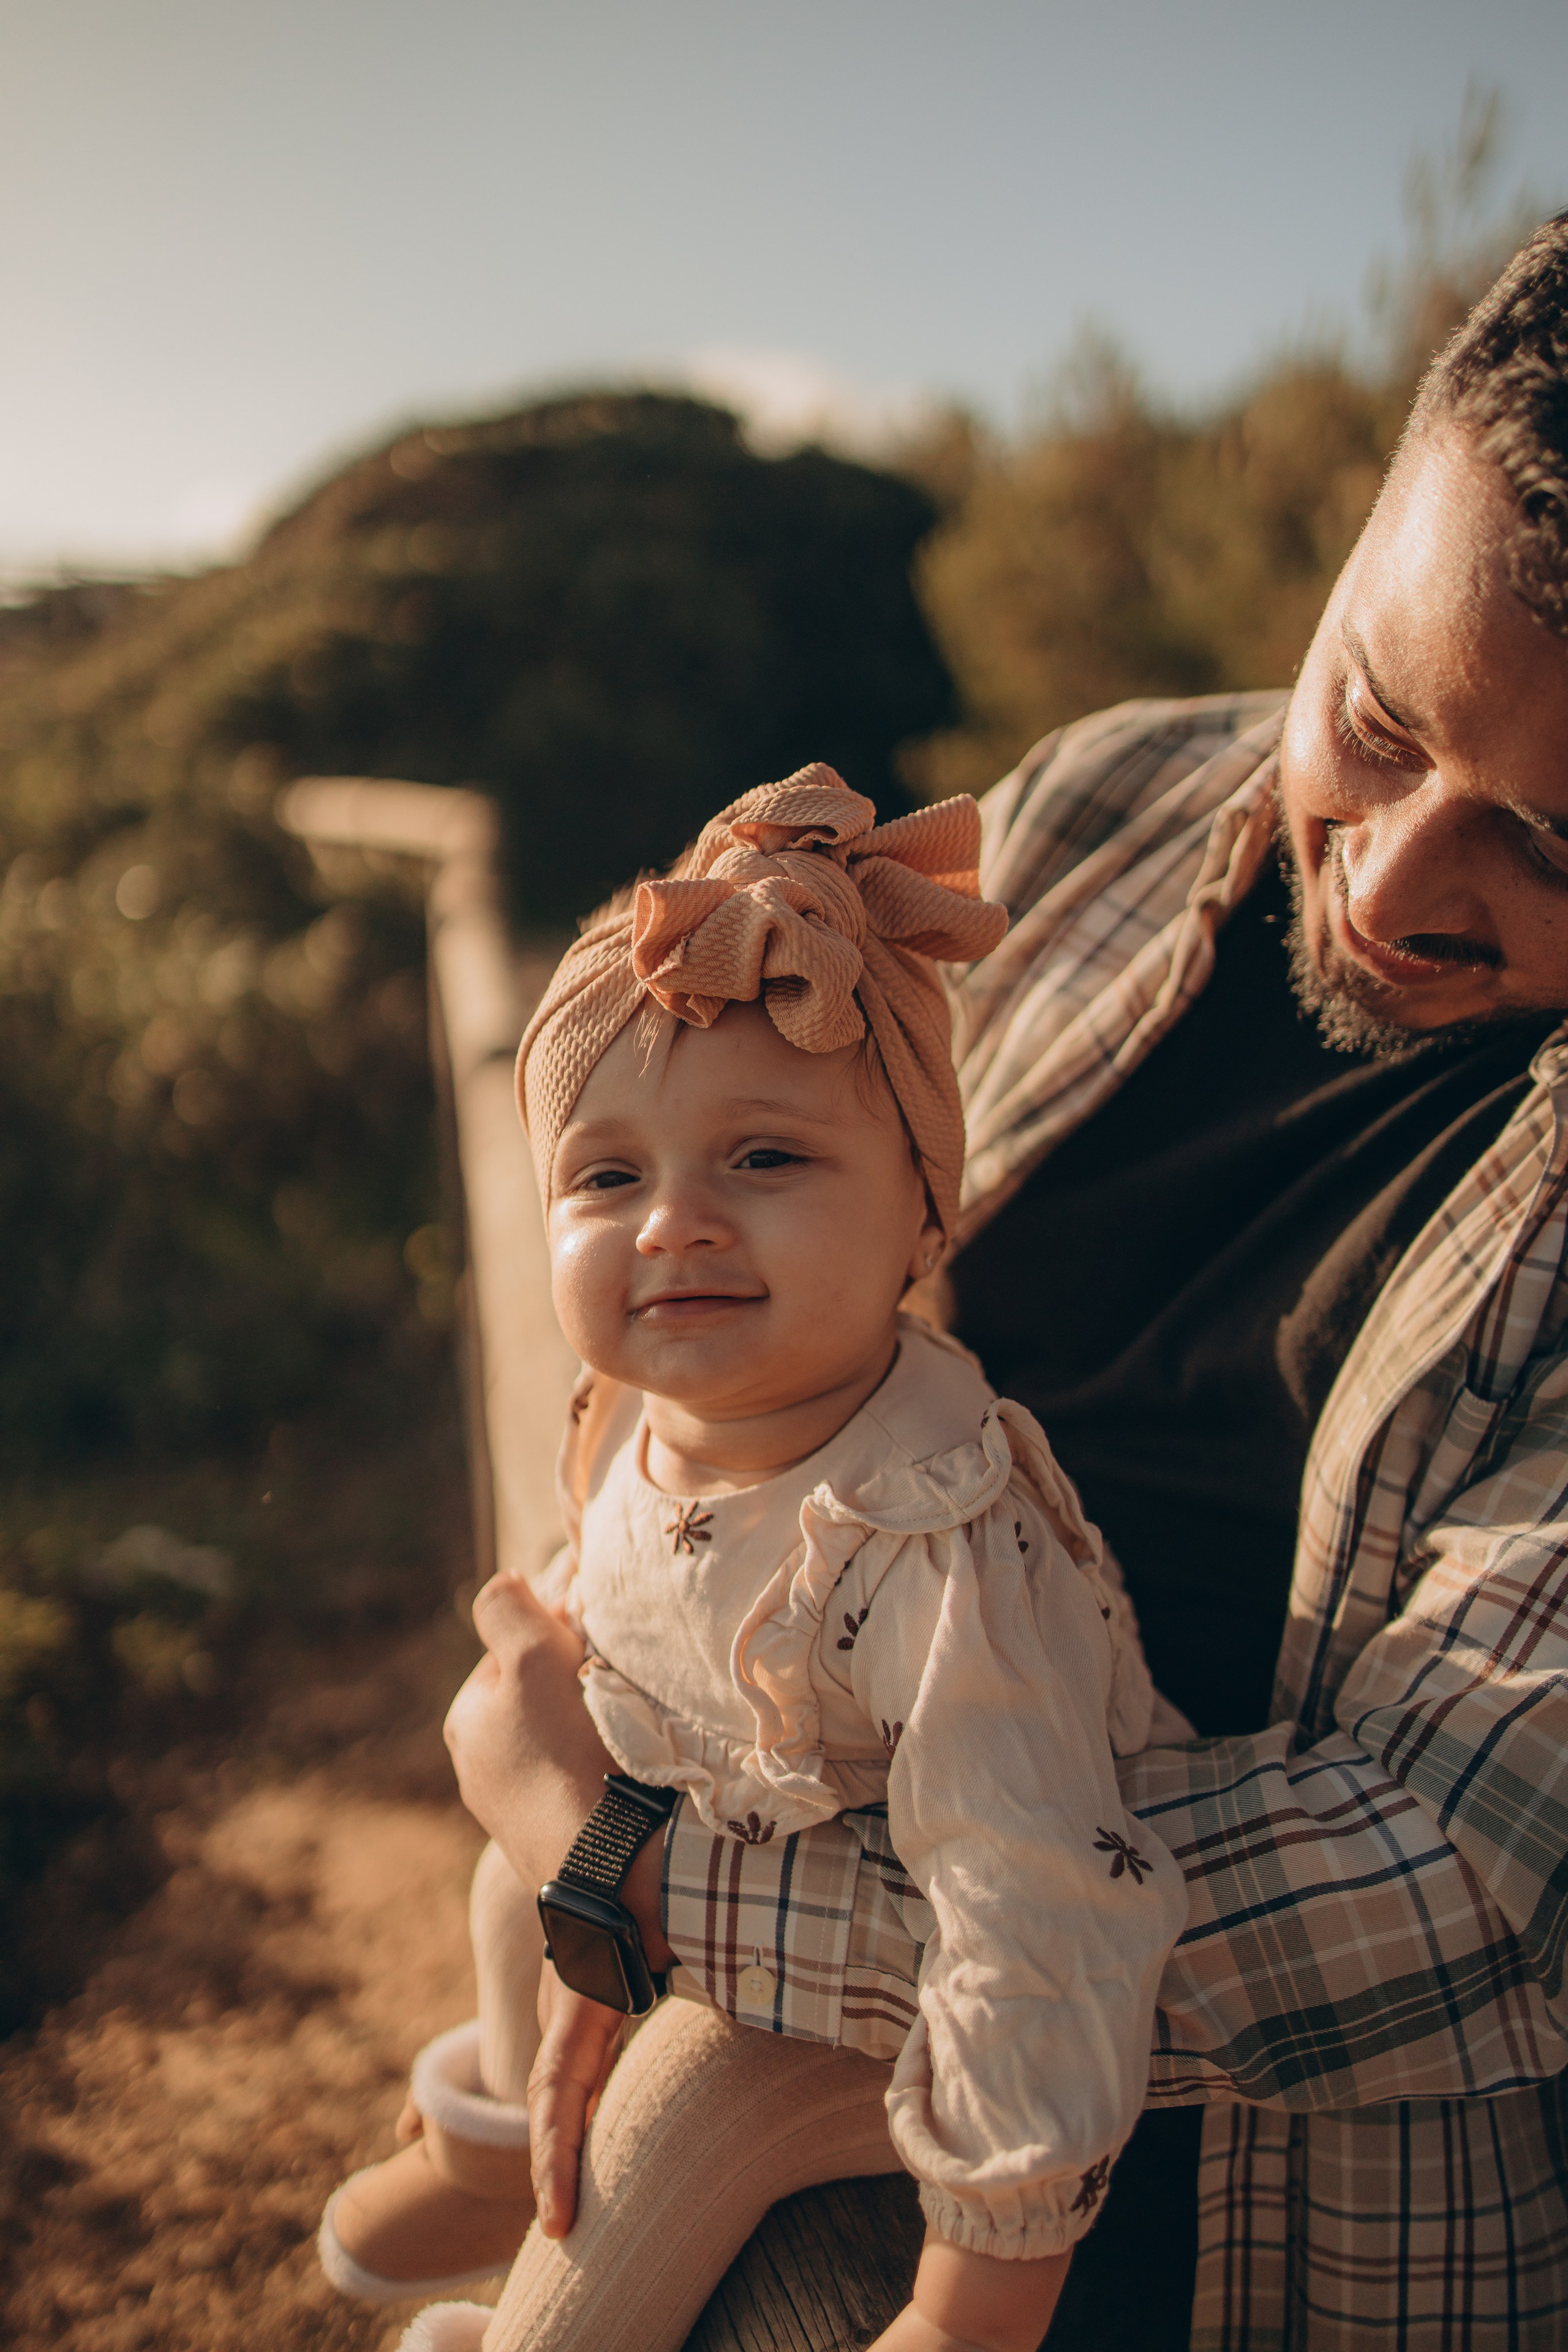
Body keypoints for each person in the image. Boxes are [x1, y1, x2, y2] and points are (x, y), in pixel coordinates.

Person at [435, 212, 1568, 2350]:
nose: (1404, 880)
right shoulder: (1107, 804)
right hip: (839, 1794)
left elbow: (1462, 1888)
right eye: (1381, 716)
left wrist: (660, 1888)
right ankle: (463, 2161)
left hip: (1245, 2195)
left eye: (1561, 845)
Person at [318, 770, 1188, 2351]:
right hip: (731, 1870)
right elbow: (635, 1603)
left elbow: (1035, 1933)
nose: (674, 1226)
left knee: (662, 2143)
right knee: (507, 1892)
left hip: (910, 2001)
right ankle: (511, 2149)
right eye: (605, 1178)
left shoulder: (935, 1547)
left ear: (924, 1216)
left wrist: (977, 2298)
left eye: (766, 1161)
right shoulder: (653, 1416)